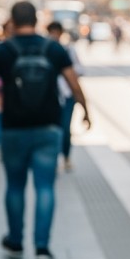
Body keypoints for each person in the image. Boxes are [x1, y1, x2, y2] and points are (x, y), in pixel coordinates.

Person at [0, 1, 91, 259]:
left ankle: (15, 241)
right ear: (37, 20)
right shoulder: (52, 47)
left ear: (13, 22)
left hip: (14, 128)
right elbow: (74, 83)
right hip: (48, 128)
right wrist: (86, 111)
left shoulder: (3, 50)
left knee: (15, 187)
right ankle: (42, 247)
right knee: (45, 187)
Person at [46, 21, 84, 171]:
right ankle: (55, 157)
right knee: (55, 128)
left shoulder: (68, 50)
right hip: (52, 96)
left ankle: (65, 156)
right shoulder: (47, 49)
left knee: (65, 127)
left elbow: (78, 72)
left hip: (67, 95)